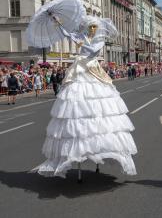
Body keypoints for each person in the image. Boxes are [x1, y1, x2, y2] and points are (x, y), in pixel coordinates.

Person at [32, 14, 137, 178]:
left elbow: (92, 51)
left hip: (93, 71)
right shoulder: (81, 37)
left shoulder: (98, 41)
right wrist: (58, 22)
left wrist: (83, 42)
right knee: (75, 109)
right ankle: (76, 152)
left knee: (99, 108)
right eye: (90, 27)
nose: (92, 30)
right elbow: (68, 34)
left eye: (94, 27)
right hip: (79, 72)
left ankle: (100, 148)